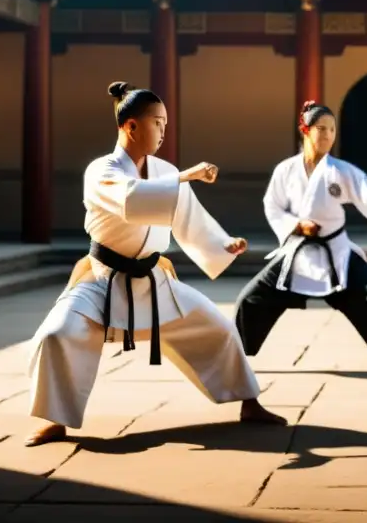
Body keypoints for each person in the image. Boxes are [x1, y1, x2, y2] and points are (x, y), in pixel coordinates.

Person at [24, 82, 285, 447]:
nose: (164, 131)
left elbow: (186, 215)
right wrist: (184, 177)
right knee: (56, 336)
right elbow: (132, 200)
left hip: (154, 282)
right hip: (103, 281)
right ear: (131, 126)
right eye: (157, 123)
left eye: (165, 123)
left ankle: (249, 403)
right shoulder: (102, 170)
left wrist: (222, 243)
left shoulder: (163, 170)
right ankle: (55, 420)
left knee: (220, 330)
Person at [233, 100, 367, 377]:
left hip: (336, 253)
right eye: (320, 128)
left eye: (332, 130)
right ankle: (234, 357)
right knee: (250, 299)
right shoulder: (285, 170)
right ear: (305, 130)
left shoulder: (341, 171)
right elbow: (272, 205)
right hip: (297, 252)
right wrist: (296, 225)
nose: (326, 135)